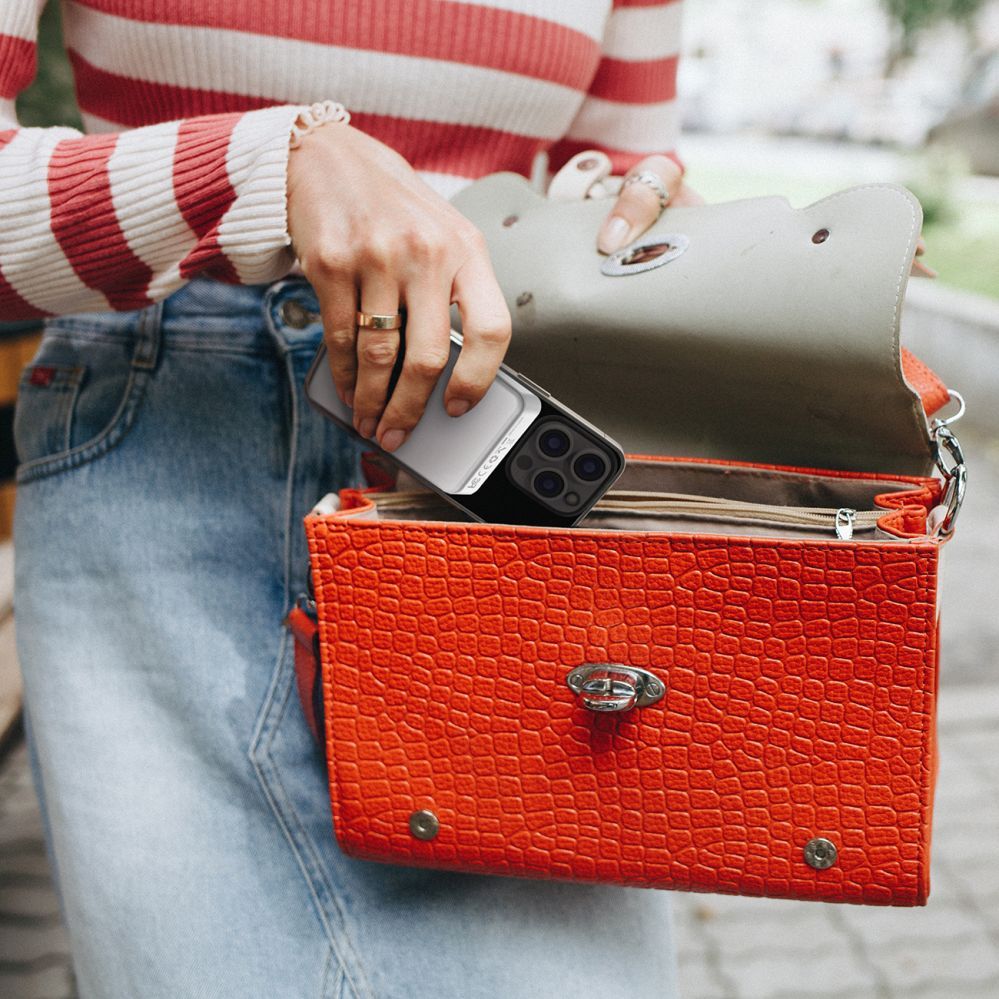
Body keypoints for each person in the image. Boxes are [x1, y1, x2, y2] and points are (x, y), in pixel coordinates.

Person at [1, 2, 703, 995]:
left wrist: (661, 222)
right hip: (172, 470)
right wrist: (268, 165)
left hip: (483, 469)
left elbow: (623, 171)